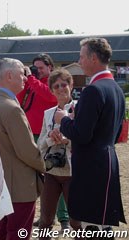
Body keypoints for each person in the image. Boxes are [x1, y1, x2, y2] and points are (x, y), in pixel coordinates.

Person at [54, 38, 127, 233]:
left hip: (91, 165)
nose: (79, 61)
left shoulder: (93, 90)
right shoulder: (116, 89)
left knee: (92, 225)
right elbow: (118, 132)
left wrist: (63, 120)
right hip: (108, 159)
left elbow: (81, 135)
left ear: (93, 58)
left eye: (81, 56)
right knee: (102, 225)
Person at [0, 57, 45, 240]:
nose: (26, 78)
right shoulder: (11, 108)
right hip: (19, 186)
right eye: (22, 74)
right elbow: (26, 151)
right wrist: (46, 165)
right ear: (9, 76)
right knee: (18, 233)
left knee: (0, 232)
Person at [17, 53, 69, 230]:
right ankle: (47, 215)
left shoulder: (50, 84)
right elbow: (19, 98)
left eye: (41, 68)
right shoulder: (32, 83)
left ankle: (64, 218)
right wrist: (24, 80)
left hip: (49, 134)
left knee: (58, 173)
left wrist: (31, 78)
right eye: (35, 67)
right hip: (34, 135)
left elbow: (49, 96)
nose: (37, 71)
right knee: (44, 179)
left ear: (50, 67)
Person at [37, 68, 82, 239]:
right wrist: (50, 137)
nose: (60, 88)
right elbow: (40, 145)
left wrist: (67, 140)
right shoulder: (48, 114)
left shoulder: (80, 109)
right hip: (51, 172)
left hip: (73, 172)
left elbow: (86, 139)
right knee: (46, 219)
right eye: (56, 86)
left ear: (71, 85)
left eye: (64, 84)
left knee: (76, 221)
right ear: (51, 90)